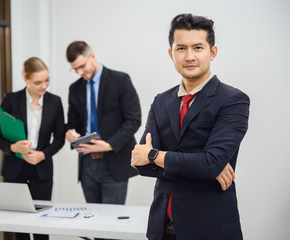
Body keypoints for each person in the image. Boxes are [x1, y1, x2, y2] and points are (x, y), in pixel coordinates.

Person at [131, 13, 250, 240]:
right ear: (171, 53)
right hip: (161, 229)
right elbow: (141, 164)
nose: (189, 56)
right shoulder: (161, 101)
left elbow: (210, 163)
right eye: (181, 48)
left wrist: (155, 154)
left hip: (209, 229)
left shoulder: (233, 100)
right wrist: (201, 165)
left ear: (212, 52)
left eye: (198, 47)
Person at [0, 57, 65, 240]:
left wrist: (43, 154)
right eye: (38, 82)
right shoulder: (10, 100)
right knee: (19, 226)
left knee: (42, 225)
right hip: (14, 170)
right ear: (25, 79)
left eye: (47, 80)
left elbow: (60, 138)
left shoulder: (55, 102)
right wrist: (13, 147)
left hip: (42, 170)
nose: (44, 86)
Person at [65, 41, 141, 205]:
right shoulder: (75, 88)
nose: (79, 72)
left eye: (82, 66)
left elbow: (134, 120)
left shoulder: (120, 80)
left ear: (92, 56)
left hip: (114, 162)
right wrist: (70, 133)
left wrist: (108, 145)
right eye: (75, 69)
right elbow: (72, 122)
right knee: (92, 221)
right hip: (87, 164)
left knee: (111, 223)